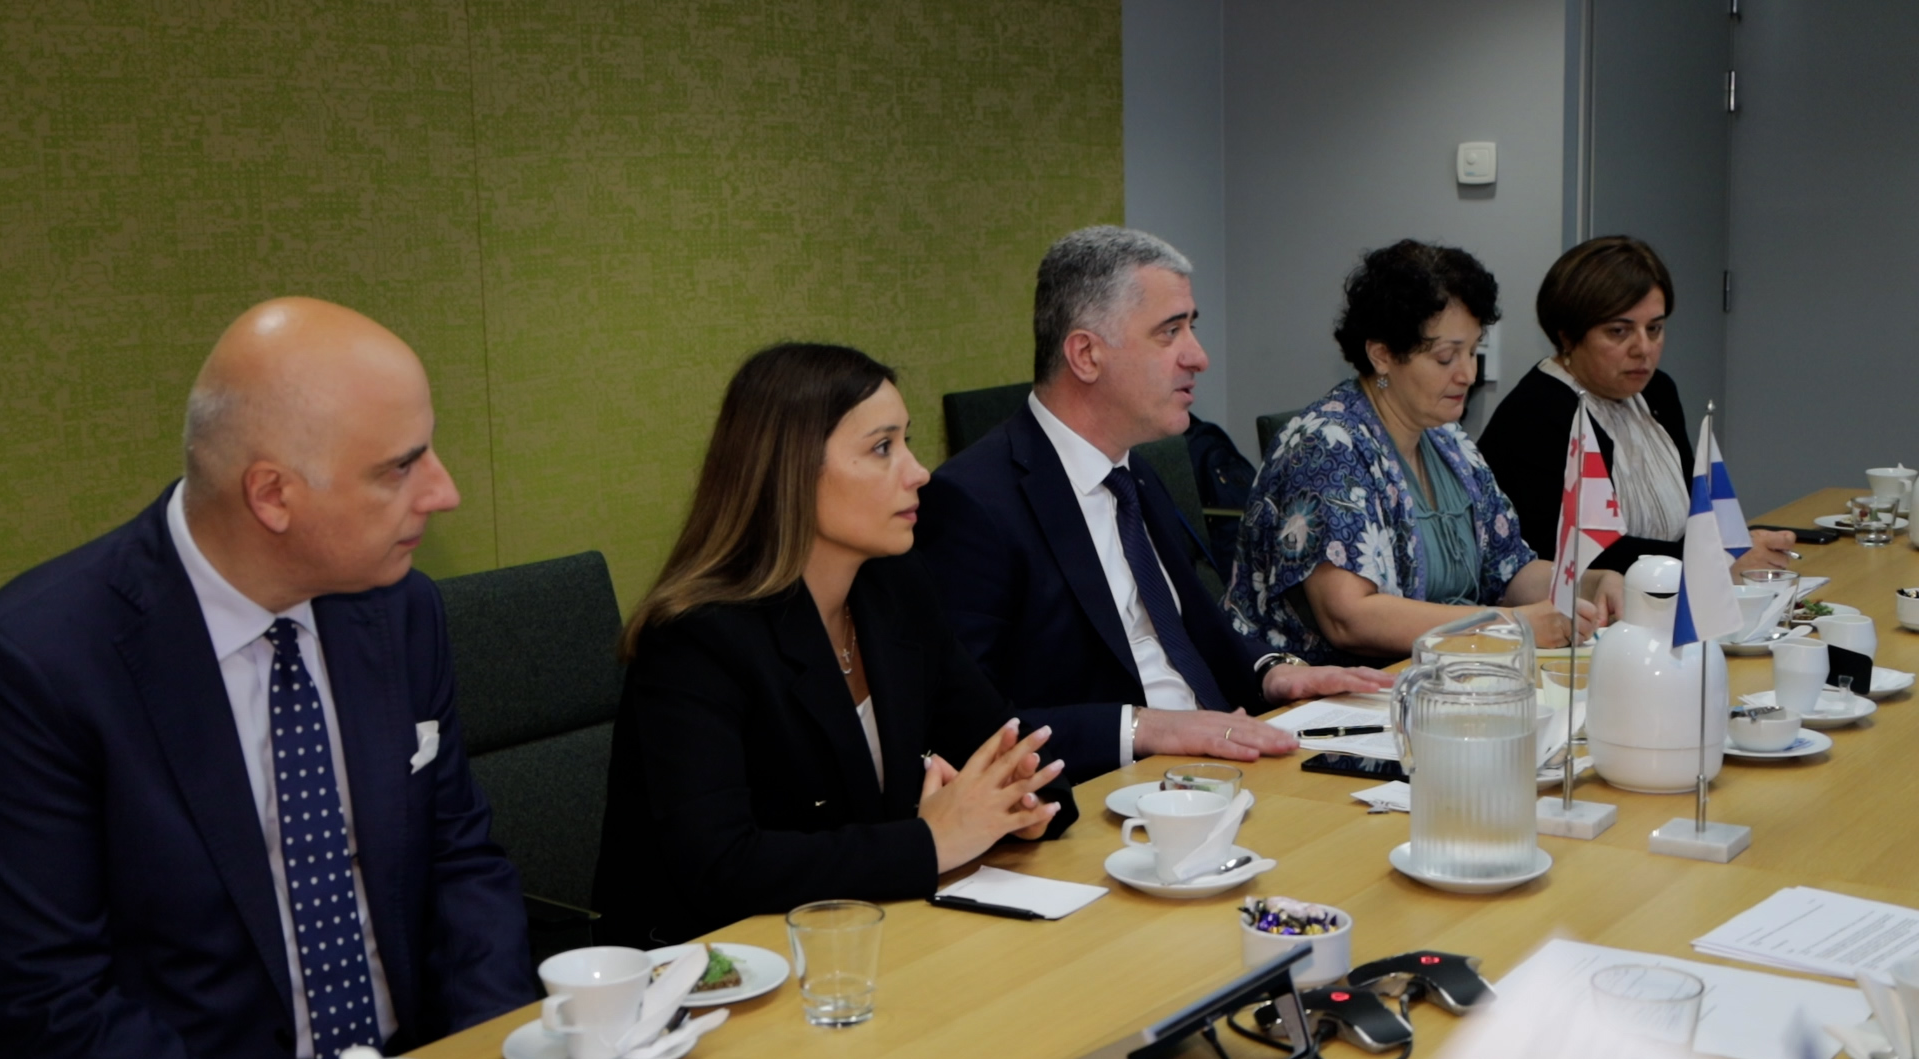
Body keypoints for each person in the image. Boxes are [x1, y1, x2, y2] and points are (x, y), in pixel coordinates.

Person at [0, 299, 535, 1059]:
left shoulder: (399, 610)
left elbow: (461, 861)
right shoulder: (43, 661)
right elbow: (51, 1001)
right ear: (272, 495)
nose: (443, 492)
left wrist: (489, 1056)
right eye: (399, 467)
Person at [592, 343, 1078, 948]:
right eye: (883, 448)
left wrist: (1019, 810)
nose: (919, 472)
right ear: (793, 471)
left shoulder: (895, 589)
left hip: (868, 935)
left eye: (906, 441)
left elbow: (1011, 749)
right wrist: (931, 841)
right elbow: (722, 868)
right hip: (716, 968)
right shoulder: (696, 638)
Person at [915, 226, 1393, 784]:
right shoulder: (971, 502)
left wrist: (1272, 671)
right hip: (1111, 792)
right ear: (1086, 355)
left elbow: (1189, 628)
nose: (1199, 357)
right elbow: (964, 727)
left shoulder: (1133, 470)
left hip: (1224, 763)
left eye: (1192, 327)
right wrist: (1143, 728)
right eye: (1170, 332)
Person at [1225, 240, 1598, 668]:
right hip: (1325, 691)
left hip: (1434, 676)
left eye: (1473, 351)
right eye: (1445, 357)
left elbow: (1509, 568)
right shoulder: (1326, 447)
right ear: (1382, 355)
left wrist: (1589, 586)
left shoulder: (1449, 440)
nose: (1468, 373)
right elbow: (1350, 618)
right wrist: (1508, 626)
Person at [1478, 235, 1794, 620]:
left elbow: (1691, 515)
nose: (1643, 348)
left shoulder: (1658, 391)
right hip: (1584, 620)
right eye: (1619, 331)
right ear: (1567, 336)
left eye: (1654, 329)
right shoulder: (1534, 415)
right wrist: (1712, 561)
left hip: (1671, 601)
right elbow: (1569, 555)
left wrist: (1734, 549)